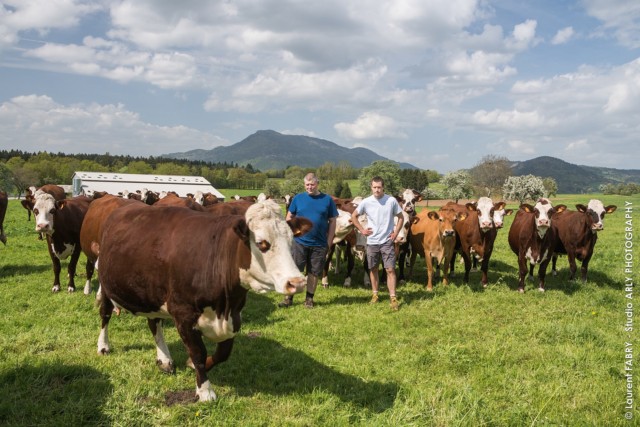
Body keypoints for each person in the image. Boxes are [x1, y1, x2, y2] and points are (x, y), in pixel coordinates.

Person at [278, 173, 338, 308]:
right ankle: (288, 298)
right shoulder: (298, 198)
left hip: (320, 243)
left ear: (317, 184)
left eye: (312, 184)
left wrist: (329, 241)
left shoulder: (327, 200)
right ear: (304, 185)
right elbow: (289, 216)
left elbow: (333, 221)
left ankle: (309, 299)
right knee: (294, 270)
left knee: (314, 272)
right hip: (300, 242)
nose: (309, 187)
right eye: (307, 185)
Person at [351, 176, 404, 311]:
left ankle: (393, 297)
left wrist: (395, 233)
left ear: (383, 187)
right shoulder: (366, 202)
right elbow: (353, 216)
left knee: (390, 269)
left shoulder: (391, 201)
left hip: (387, 241)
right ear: (371, 187)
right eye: (374, 187)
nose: (377, 190)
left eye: (379, 187)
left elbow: (401, 217)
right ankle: (375, 294)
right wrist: (362, 230)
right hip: (372, 241)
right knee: (373, 268)